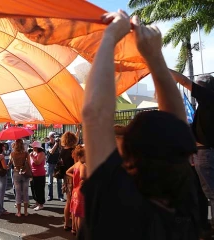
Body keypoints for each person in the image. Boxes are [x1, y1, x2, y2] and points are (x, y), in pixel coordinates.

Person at [80, 11, 199, 239]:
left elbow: (95, 113)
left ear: (130, 157)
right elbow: (176, 125)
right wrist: (153, 56)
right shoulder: (182, 204)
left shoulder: (117, 203)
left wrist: (110, 36)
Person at [170, 68, 214, 232]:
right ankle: (203, 227)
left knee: (211, 194)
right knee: (202, 193)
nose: (195, 90)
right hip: (202, 154)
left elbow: (184, 81)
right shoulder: (206, 106)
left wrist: (159, 65)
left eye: (199, 86)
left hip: (206, 154)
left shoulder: (209, 99)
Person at [60, 131, 78, 231]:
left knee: (68, 201)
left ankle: (66, 223)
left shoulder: (62, 151)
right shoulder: (73, 151)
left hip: (65, 177)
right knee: (74, 201)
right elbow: (76, 166)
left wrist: (77, 131)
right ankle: (74, 226)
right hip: (73, 177)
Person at [66, 145, 86, 236]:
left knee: (75, 213)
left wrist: (75, 177)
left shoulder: (76, 164)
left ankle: (74, 229)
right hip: (81, 191)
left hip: (75, 190)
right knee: (81, 215)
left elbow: (67, 172)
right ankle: (79, 234)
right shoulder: (82, 165)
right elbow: (82, 176)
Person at [10, 139, 31, 217]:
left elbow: (10, 162)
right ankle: (25, 212)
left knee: (18, 193)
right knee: (25, 192)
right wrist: (31, 173)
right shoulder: (26, 153)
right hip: (25, 172)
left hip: (16, 172)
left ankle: (18, 212)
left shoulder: (12, 153)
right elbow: (29, 164)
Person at [46, 132, 64, 202]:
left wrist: (59, 144)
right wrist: (56, 144)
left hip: (57, 164)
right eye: (52, 136)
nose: (54, 138)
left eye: (55, 137)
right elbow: (51, 152)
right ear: (50, 137)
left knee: (59, 181)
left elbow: (62, 152)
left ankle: (60, 196)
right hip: (50, 164)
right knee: (50, 181)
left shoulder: (60, 144)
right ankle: (50, 196)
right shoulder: (47, 144)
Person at [0, 143, 10, 215]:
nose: (5, 147)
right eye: (4, 146)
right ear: (2, 148)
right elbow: (4, 167)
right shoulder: (1, 155)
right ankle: (1, 209)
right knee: (1, 193)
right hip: (2, 175)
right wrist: (8, 166)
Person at [30, 141, 46, 211]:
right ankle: (37, 202)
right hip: (33, 174)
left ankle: (41, 204)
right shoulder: (33, 153)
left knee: (39, 189)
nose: (32, 148)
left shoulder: (41, 153)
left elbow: (38, 162)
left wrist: (32, 157)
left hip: (40, 174)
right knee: (34, 189)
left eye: (34, 146)